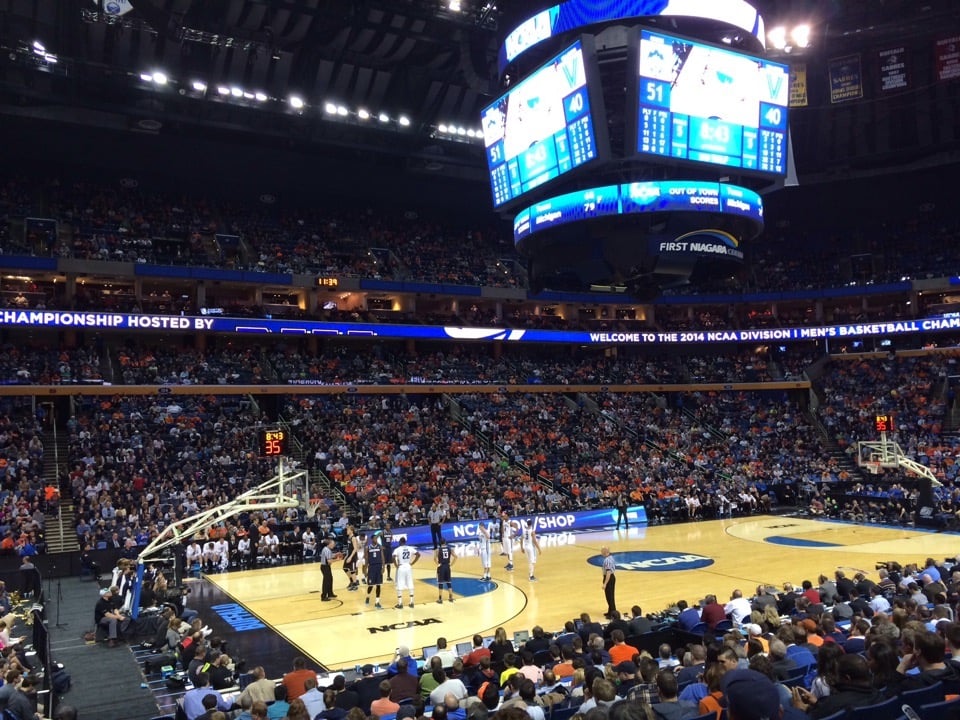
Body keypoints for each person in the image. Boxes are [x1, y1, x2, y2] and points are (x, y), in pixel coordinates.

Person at [393, 536, 421, 608]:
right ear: (405, 542)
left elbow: (393, 557)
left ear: (400, 542)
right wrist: (412, 563)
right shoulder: (410, 548)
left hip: (401, 567)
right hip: (408, 566)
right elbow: (418, 554)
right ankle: (411, 602)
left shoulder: (397, 549)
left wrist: (396, 565)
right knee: (410, 583)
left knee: (399, 584)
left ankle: (400, 603)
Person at [365, 532, 385, 609]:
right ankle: (368, 596)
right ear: (372, 539)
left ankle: (377, 602)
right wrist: (365, 570)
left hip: (378, 566)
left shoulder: (380, 547)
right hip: (371, 567)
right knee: (370, 585)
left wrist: (383, 567)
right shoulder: (368, 548)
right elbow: (366, 560)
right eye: (375, 538)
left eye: (377, 538)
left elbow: (382, 557)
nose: (376, 539)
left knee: (378, 585)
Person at [435, 536, 456, 603]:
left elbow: (434, 558)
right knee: (448, 582)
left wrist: (438, 564)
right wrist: (451, 564)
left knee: (440, 582)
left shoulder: (438, 550)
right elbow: (456, 557)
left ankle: (440, 599)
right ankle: (451, 597)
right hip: (447, 566)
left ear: (440, 543)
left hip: (441, 567)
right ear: (445, 542)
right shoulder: (450, 549)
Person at [601, 546, 617, 618]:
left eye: (602, 552)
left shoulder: (607, 560)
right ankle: (610, 611)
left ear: (606, 552)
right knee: (609, 596)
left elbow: (608, 572)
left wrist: (605, 583)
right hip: (611, 577)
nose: (601, 553)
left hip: (609, 578)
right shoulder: (611, 557)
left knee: (610, 597)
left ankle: (613, 614)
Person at [343, 525, 360, 591]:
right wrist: (346, 556)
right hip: (349, 555)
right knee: (345, 568)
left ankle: (355, 585)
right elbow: (349, 548)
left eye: (348, 530)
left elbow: (355, 548)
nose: (347, 531)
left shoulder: (353, 538)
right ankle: (352, 582)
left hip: (352, 556)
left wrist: (350, 557)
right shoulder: (349, 538)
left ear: (351, 531)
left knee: (352, 570)